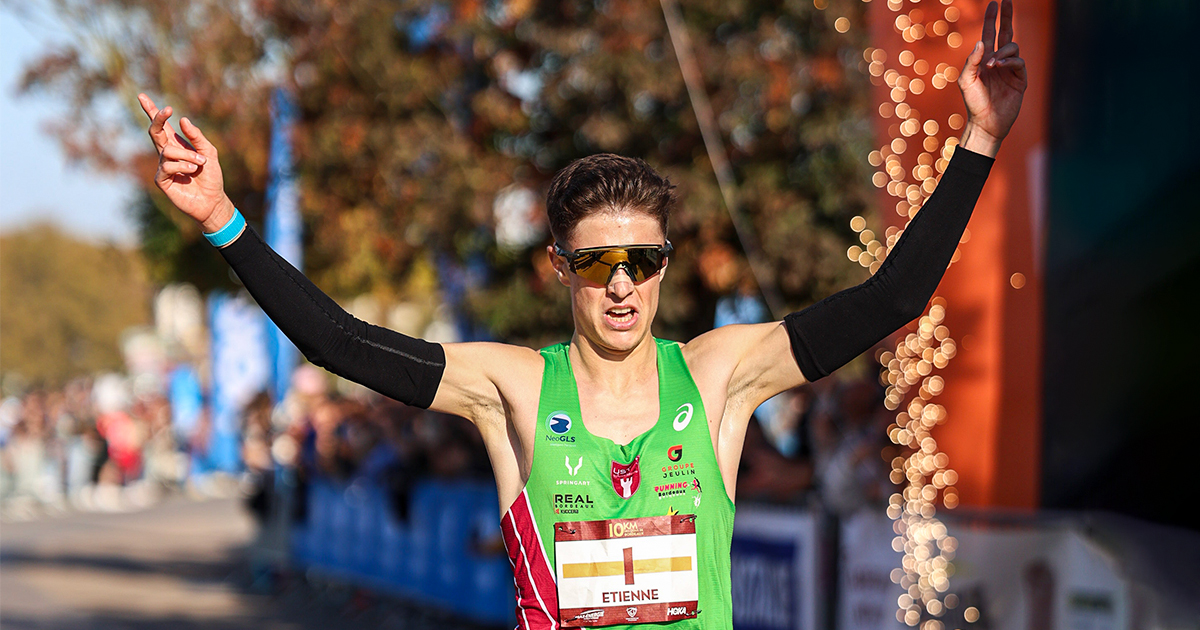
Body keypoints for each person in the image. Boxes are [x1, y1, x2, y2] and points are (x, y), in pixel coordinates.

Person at [138, 1, 1025, 626]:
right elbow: (339, 343)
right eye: (598, 262)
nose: (621, 284)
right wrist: (224, 220)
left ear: (664, 267)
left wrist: (980, 136)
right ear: (560, 269)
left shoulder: (717, 377)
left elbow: (893, 299)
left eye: (642, 261)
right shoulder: (514, 388)